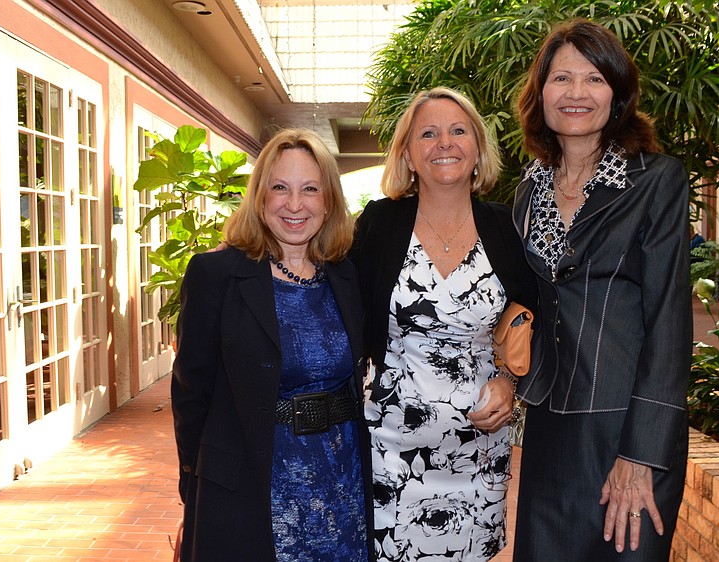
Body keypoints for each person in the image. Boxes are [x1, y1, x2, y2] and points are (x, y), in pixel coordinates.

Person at [510, 19, 692, 561]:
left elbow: (669, 322)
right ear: (540, 92)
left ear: (617, 94)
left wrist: (641, 453)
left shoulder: (656, 181)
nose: (576, 93)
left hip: (627, 429)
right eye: (561, 78)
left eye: (593, 78)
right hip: (549, 430)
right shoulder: (526, 192)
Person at [351, 87, 538, 561]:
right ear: (408, 154)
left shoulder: (505, 225)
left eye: (458, 131)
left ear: (477, 147)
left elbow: (537, 310)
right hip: (389, 444)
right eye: (428, 134)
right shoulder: (379, 222)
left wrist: (510, 381)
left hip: (478, 443)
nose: (444, 143)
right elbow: (329, 285)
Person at [171, 128, 373, 561]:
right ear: (260, 197)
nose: (295, 204)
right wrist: (196, 480)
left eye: (310, 190)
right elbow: (191, 392)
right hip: (250, 484)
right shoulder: (216, 276)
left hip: (341, 484)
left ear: (329, 201)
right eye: (279, 187)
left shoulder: (346, 276)